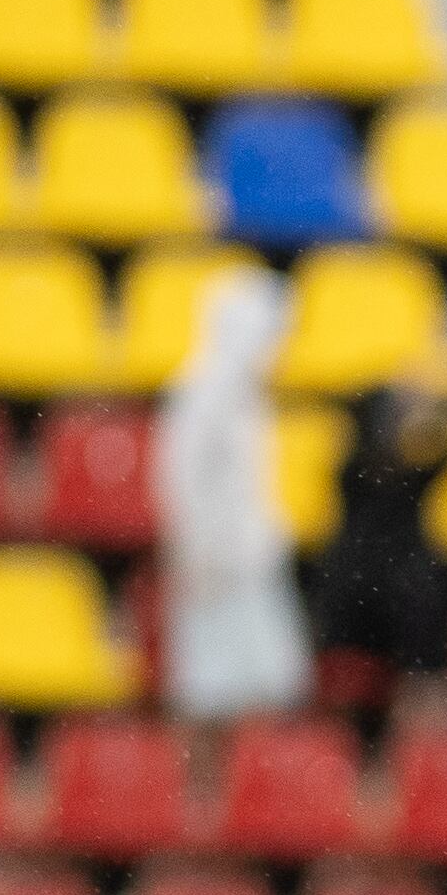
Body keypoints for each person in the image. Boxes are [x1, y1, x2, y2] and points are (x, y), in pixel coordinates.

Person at [154, 262, 308, 723]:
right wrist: (196, 548)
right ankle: (204, 791)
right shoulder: (203, 391)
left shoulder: (247, 396)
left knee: (268, 687)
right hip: (214, 563)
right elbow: (179, 476)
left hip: (250, 558)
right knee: (208, 693)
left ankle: (251, 791)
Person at [311, 366, 447, 690]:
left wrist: (431, 412)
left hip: (398, 585)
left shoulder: (415, 478)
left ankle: (418, 679)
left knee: (422, 587)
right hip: (357, 587)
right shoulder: (356, 474)